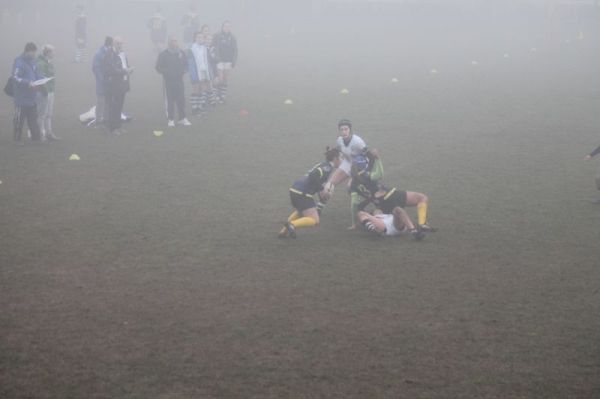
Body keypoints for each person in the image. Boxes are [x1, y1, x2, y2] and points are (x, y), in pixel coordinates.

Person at [351, 156, 436, 233]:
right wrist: (378, 159)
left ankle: (414, 228)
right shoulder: (365, 175)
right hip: (392, 195)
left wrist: (354, 223)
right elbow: (379, 175)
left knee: (385, 213)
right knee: (422, 198)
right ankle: (421, 225)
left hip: (382, 204)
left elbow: (354, 204)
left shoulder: (353, 185)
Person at [279, 147, 342, 238]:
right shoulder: (327, 168)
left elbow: (313, 178)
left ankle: (283, 231)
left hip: (295, 189)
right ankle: (292, 224)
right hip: (302, 194)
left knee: (301, 212)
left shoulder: (323, 164)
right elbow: (313, 176)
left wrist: (320, 191)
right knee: (315, 220)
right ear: (335, 159)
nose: (342, 160)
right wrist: (322, 189)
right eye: (341, 158)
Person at [11, 42, 43, 145]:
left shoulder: (33, 61)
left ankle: (36, 139)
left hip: (32, 96)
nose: (34, 54)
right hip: (21, 97)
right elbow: (15, 78)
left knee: (33, 119)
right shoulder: (19, 62)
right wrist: (27, 83)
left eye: (35, 52)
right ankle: (16, 140)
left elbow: (37, 73)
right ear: (27, 51)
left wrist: (42, 80)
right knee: (19, 120)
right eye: (32, 52)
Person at [156, 36, 191, 127]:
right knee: (170, 101)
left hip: (179, 80)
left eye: (176, 41)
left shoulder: (181, 53)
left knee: (181, 100)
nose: (174, 43)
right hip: (168, 81)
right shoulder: (163, 54)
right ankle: (170, 119)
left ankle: (182, 118)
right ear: (169, 43)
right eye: (172, 41)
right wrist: (167, 72)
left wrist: (184, 70)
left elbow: (186, 64)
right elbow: (158, 67)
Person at [104, 37, 133, 136]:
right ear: (114, 44)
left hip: (123, 84)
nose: (120, 45)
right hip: (114, 85)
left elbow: (126, 65)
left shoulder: (123, 54)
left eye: (121, 43)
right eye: (118, 43)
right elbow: (110, 70)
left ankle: (119, 126)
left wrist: (129, 69)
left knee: (120, 106)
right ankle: (113, 128)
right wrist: (124, 71)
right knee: (114, 107)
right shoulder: (110, 55)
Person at [35, 44, 60, 141]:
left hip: (50, 91)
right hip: (44, 92)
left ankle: (49, 133)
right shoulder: (41, 64)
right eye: (52, 51)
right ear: (48, 52)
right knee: (42, 114)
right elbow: (41, 79)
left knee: (49, 114)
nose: (54, 53)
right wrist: (45, 91)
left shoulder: (49, 62)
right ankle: (41, 135)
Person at [357, 209, 425, 241]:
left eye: (379, 210)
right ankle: (373, 230)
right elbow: (363, 217)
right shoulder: (375, 218)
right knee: (361, 213)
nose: (378, 211)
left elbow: (405, 219)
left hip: (396, 226)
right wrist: (369, 216)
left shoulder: (388, 215)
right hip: (385, 226)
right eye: (376, 211)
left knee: (398, 210)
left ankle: (414, 231)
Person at [188, 29, 212, 115]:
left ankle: (200, 106)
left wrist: (208, 72)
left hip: (203, 71)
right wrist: (193, 74)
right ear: (195, 38)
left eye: (201, 37)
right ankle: (194, 108)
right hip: (195, 71)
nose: (200, 38)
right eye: (198, 37)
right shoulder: (191, 48)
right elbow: (190, 63)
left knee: (202, 88)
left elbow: (206, 61)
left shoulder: (204, 48)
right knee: (196, 89)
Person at [213, 20, 238, 103]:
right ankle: (215, 93)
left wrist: (233, 61)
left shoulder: (232, 37)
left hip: (228, 61)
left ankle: (222, 96)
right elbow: (214, 46)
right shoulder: (217, 35)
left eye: (228, 26)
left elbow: (235, 50)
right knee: (220, 79)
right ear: (222, 27)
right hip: (220, 60)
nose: (227, 28)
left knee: (225, 79)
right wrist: (216, 58)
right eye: (225, 26)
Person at [91, 36, 113, 127]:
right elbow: (95, 68)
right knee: (100, 101)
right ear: (110, 44)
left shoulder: (110, 53)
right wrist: (101, 79)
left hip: (110, 82)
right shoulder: (99, 54)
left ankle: (106, 119)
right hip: (102, 82)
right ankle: (98, 120)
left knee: (108, 100)